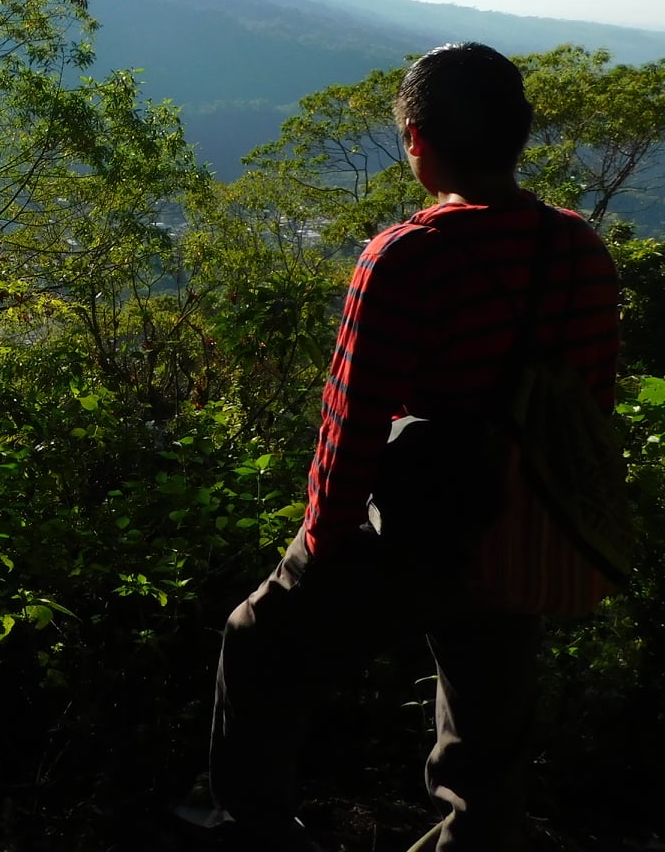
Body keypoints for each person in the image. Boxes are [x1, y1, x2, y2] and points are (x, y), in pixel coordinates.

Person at [177, 43, 620, 852]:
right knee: (487, 748)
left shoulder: (408, 255)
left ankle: (252, 828)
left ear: (415, 140)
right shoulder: (578, 249)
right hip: (525, 521)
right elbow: (592, 403)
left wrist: (324, 540)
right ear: (521, 132)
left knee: (257, 638)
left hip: (416, 527)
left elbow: (353, 417)